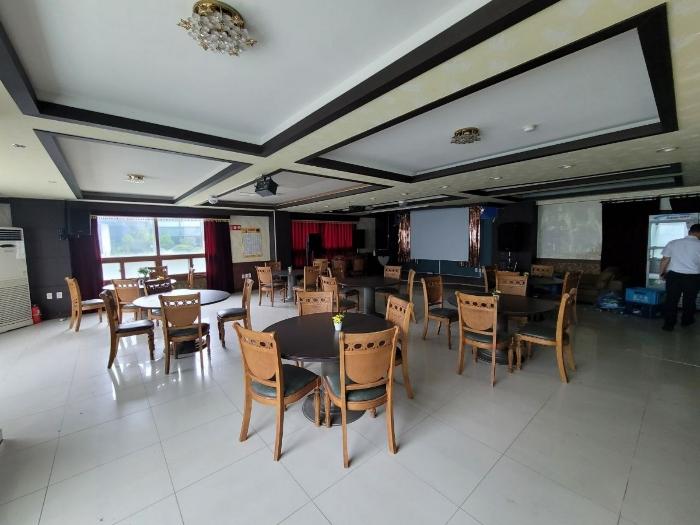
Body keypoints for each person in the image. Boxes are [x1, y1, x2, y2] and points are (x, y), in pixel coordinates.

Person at [660, 223, 700, 331]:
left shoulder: (673, 243)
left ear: (689, 232)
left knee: (671, 300)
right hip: (693, 277)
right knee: (689, 300)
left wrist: (662, 273)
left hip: (674, 276)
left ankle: (669, 324)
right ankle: (686, 321)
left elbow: (665, 260)